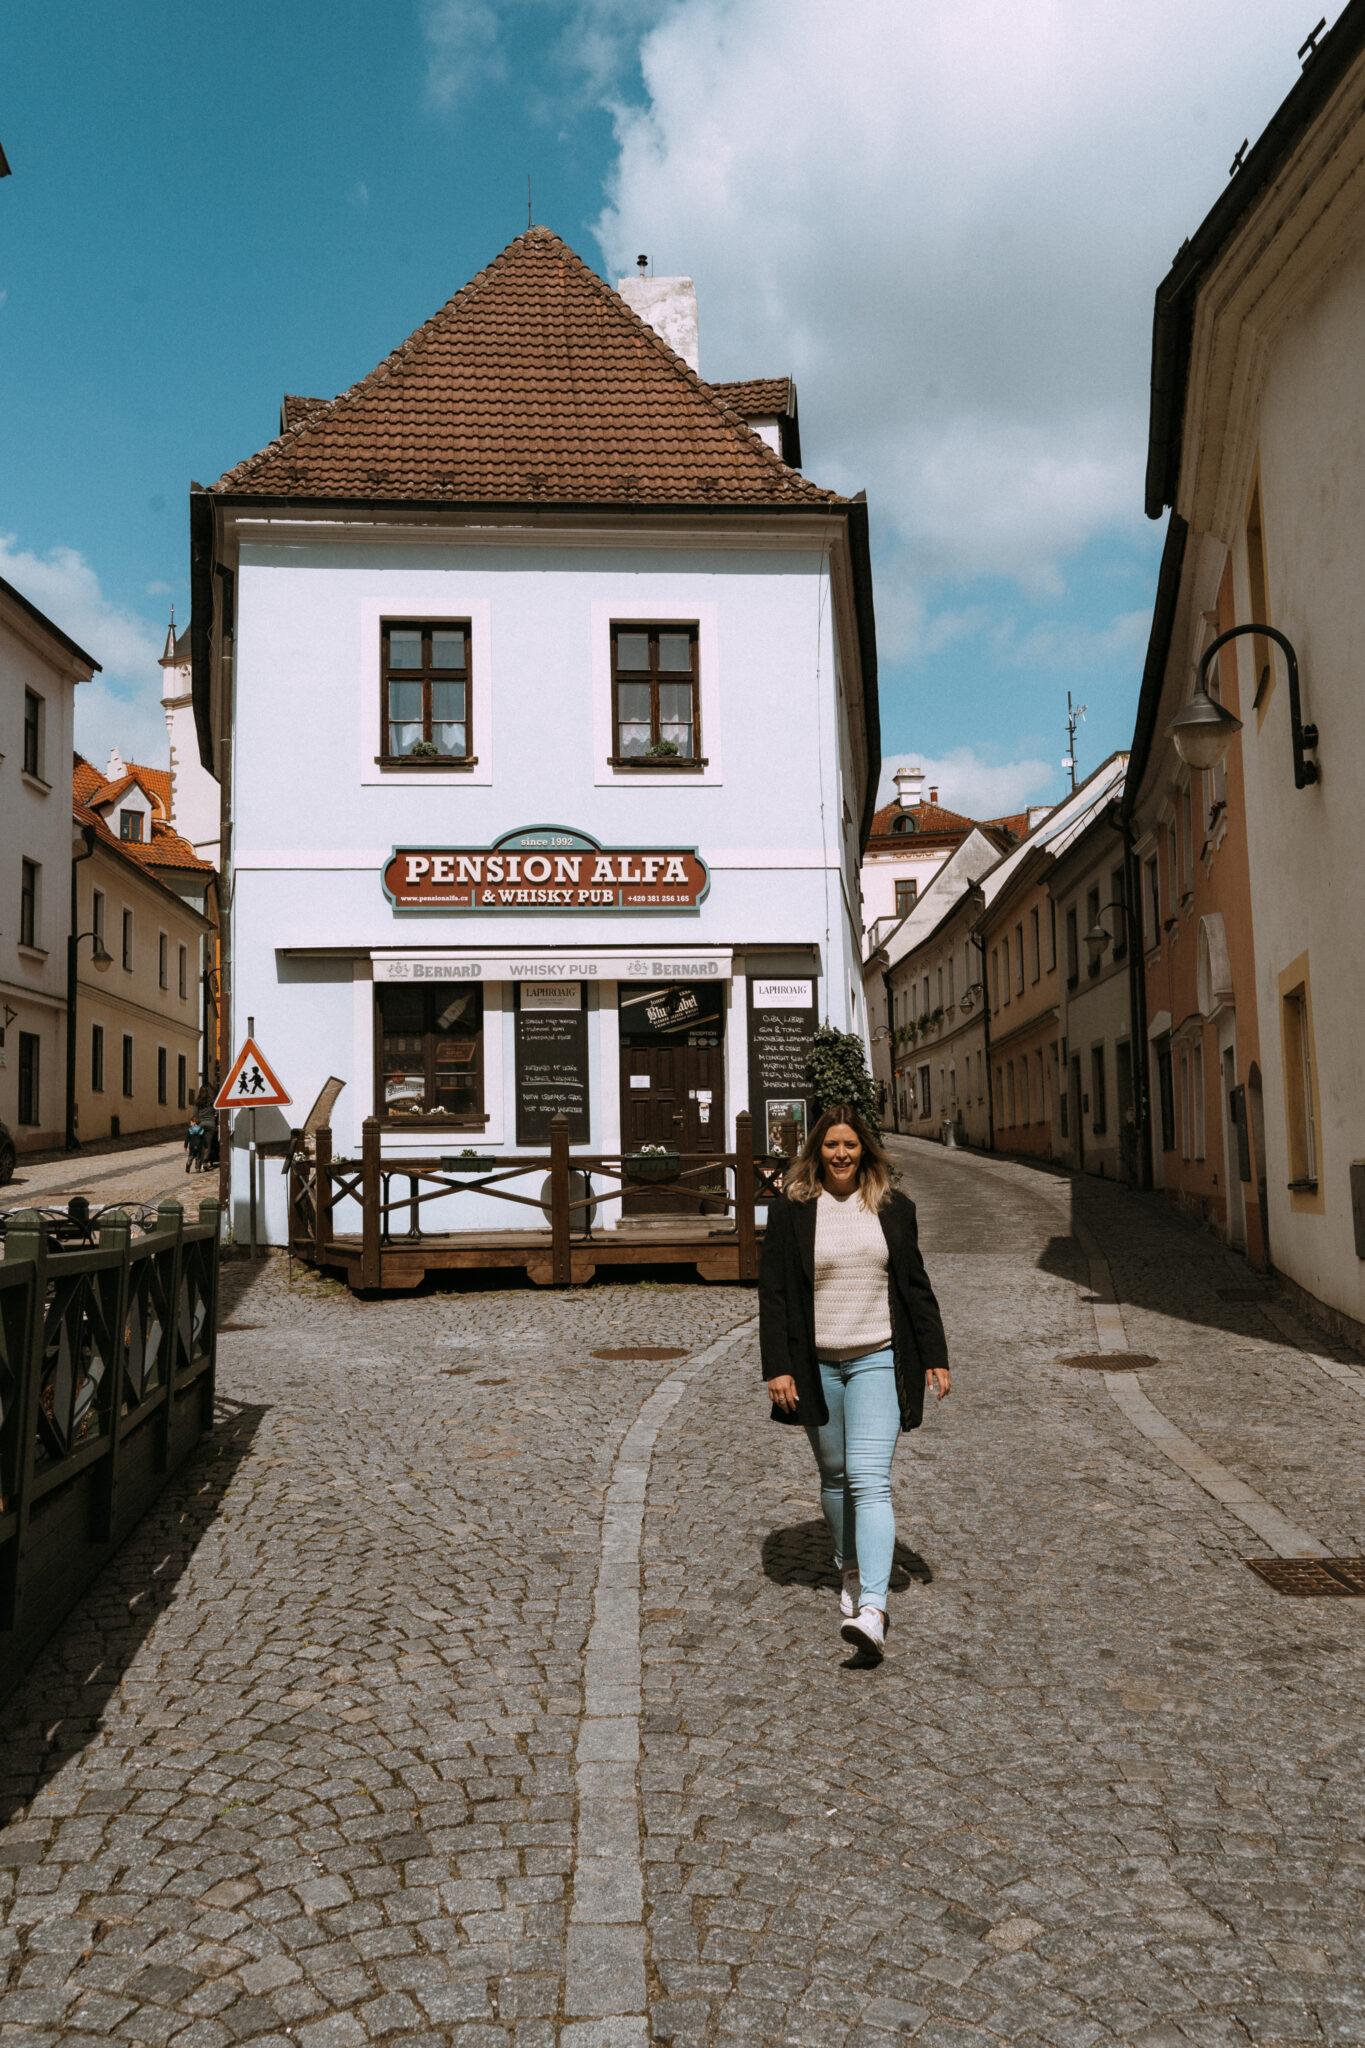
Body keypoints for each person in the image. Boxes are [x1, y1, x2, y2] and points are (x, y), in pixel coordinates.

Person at [758, 1102, 951, 1663]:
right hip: (815, 1366)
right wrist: (778, 1366)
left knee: (870, 1478)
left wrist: (934, 1355)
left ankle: (873, 1607)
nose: (841, 1154)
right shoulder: (792, 1211)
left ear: (865, 1149)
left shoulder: (893, 1208)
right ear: (816, 1151)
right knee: (836, 1474)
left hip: (878, 1361)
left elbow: (916, 1285)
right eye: (830, 1145)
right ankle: (848, 1566)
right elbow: (773, 1296)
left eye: (850, 1145)